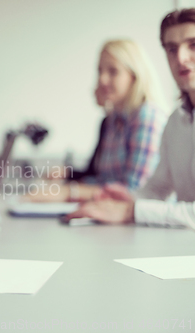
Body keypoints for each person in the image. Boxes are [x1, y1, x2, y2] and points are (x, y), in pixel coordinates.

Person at [67, 8, 195, 229]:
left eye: (193, 45)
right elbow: (157, 189)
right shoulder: (176, 121)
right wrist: (131, 198)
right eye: (172, 49)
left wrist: (131, 210)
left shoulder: (149, 116)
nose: (181, 58)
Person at [32, 39, 168, 202]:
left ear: (134, 76)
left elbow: (135, 191)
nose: (102, 79)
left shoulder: (147, 116)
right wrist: (67, 180)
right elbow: (98, 177)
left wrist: (70, 192)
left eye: (113, 71)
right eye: (100, 71)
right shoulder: (111, 121)